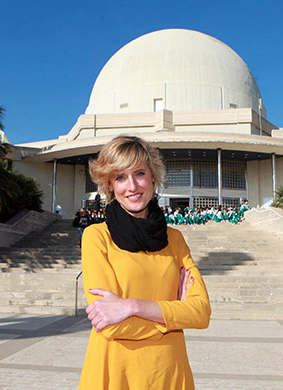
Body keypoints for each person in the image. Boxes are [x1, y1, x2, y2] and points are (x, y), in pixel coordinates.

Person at [79, 135, 211, 389]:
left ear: (153, 178)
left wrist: (132, 307)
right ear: (109, 185)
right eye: (120, 177)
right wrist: (172, 315)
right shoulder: (97, 237)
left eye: (139, 173)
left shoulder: (175, 240)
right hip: (115, 373)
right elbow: (111, 326)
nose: (132, 186)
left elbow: (201, 313)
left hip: (169, 374)